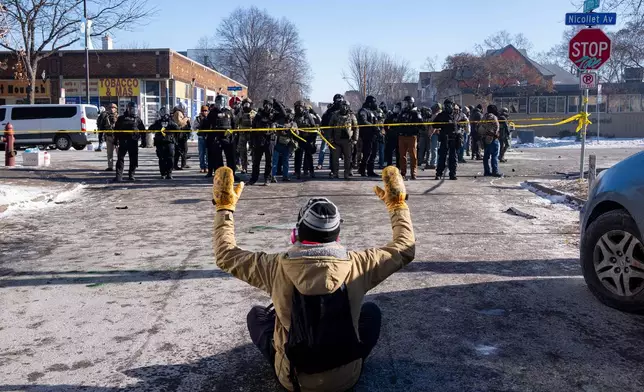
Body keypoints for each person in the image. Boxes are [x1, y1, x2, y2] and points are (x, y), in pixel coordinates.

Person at [211, 164, 415, 392]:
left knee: (257, 315)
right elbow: (405, 247)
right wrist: (398, 206)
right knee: (371, 312)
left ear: (297, 232)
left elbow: (225, 255)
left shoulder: (274, 267)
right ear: (337, 234)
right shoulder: (359, 264)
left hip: (294, 380)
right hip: (348, 378)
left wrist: (224, 208)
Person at [203, 95, 236, 179]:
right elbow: (206, 124)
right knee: (217, 158)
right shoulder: (212, 112)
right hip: (217, 138)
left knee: (230, 157)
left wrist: (233, 134)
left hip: (228, 138)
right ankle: (220, 176)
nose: (220, 104)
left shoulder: (229, 112)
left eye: (221, 102)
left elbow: (233, 124)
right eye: (218, 102)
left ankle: (232, 174)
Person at [113, 102, 146, 182]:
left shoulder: (137, 119)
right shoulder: (121, 118)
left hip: (133, 141)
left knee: (134, 159)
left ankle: (131, 175)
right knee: (120, 159)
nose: (133, 110)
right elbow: (116, 130)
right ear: (128, 109)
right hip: (123, 141)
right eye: (132, 109)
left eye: (135, 109)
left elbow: (143, 130)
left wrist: (143, 141)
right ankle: (119, 176)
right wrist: (115, 140)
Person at [328, 100, 358, 180]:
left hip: (348, 141)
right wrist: (330, 138)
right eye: (342, 105)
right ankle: (335, 173)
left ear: (348, 107)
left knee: (348, 158)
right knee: (335, 158)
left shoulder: (352, 116)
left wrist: (355, 139)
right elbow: (330, 127)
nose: (344, 107)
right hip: (336, 140)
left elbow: (356, 128)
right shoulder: (335, 115)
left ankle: (346, 173)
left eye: (346, 105)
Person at [432, 99, 462, 180]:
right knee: (442, 157)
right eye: (446, 105)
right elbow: (434, 124)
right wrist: (442, 124)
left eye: (449, 105)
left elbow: (462, 123)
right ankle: (439, 173)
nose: (448, 107)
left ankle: (452, 174)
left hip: (454, 138)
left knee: (453, 157)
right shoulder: (442, 115)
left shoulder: (456, 115)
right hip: (445, 138)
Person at [250, 100, 277, 185]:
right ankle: (253, 179)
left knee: (269, 161)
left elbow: (284, 114)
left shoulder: (274, 115)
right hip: (259, 139)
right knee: (256, 161)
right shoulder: (259, 115)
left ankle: (267, 179)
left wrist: (276, 103)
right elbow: (253, 128)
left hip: (269, 139)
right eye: (265, 105)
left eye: (268, 105)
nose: (266, 107)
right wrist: (252, 141)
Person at [397, 96, 423, 180]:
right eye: (404, 103)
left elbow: (421, 125)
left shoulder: (415, 113)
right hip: (402, 136)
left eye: (406, 103)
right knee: (402, 156)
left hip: (411, 136)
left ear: (411, 103)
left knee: (413, 156)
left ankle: (413, 173)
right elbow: (398, 122)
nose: (405, 105)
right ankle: (403, 173)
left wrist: (416, 129)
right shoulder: (402, 112)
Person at [150, 107, 179, 179]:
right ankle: (163, 173)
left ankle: (169, 173)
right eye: (163, 112)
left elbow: (178, 130)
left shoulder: (171, 122)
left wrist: (175, 138)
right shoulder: (158, 122)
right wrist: (158, 125)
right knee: (161, 158)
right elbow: (151, 128)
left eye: (165, 112)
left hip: (169, 142)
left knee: (170, 158)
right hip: (160, 143)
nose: (164, 115)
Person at [357, 95, 381, 177]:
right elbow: (363, 121)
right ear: (370, 103)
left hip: (374, 136)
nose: (375, 104)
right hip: (366, 136)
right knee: (367, 154)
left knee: (373, 154)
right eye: (374, 102)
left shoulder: (373, 111)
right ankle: (362, 170)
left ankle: (370, 171)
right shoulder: (363, 111)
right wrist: (373, 126)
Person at [293, 101, 318, 179]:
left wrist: (312, 139)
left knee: (309, 156)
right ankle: (297, 172)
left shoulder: (308, 116)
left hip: (307, 139)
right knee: (298, 157)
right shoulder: (294, 117)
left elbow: (314, 127)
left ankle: (311, 171)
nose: (299, 108)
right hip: (298, 139)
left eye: (301, 106)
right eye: (298, 106)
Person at [478, 105, 503, 177]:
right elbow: (496, 127)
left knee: (486, 156)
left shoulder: (484, 117)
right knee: (494, 156)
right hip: (493, 139)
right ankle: (495, 171)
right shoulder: (494, 117)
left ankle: (487, 171)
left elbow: (479, 127)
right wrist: (495, 134)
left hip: (485, 139)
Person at [236, 98, 256, 174]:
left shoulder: (254, 113)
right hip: (242, 134)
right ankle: (244, 167)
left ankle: (254, 166)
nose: (246, 105)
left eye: (248, 103)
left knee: (254, 151)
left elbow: (257, 123)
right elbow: (236, 122)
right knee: (242, 151)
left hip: (252, 134)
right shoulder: (240, 113)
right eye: (245, 103)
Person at [98, 103, 118, 171]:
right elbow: (101, 128)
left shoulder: (119, 117)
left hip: (117, 137)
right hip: (109, 137)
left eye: (113, 108)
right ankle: (110, 166)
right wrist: (100, 138)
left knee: (119, 154)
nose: (111, 109)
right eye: (110, 108)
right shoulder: (105, 117)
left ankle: (120, 166)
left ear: (116, 109)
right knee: (109, 153)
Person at [172, 103, 191, 170]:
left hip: (182, 134)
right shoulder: (178, 113)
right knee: (179, 150)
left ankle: (183, 164)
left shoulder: (180, 113)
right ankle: (176, 165)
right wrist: (186, 119)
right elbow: (179, 123)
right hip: (179, 134)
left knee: (184, 149)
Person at [193, 105, 210, 173]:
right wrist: (199, 126)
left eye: (206, 111)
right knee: (201, 153)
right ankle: (202, 167)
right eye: (203, 111)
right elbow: (194, 127)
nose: (204, 112)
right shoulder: (198, 119)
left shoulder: (209, 118)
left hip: (208, 137)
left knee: (207, 153)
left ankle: (208, 167)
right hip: (201, 137)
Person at [384, 102, 400, 168]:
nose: (396, 109)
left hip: (400, 136)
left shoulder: (402, 116)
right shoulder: (391, 116)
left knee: (398, 153)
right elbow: (385, 124)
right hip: (391, 137)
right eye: (395, 107)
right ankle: (389, 165)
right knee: (389, 151)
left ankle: (399, 167)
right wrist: (388, 132)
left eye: (398, 108)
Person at [426, 103, 442, 170]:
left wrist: (430, 133)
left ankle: (433, 164)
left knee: (434, 149)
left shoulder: (436, 115)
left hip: (435, 134)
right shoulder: (440, 114)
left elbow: (433, 126)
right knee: (437, 149)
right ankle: (437, 163)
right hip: (439, 134)